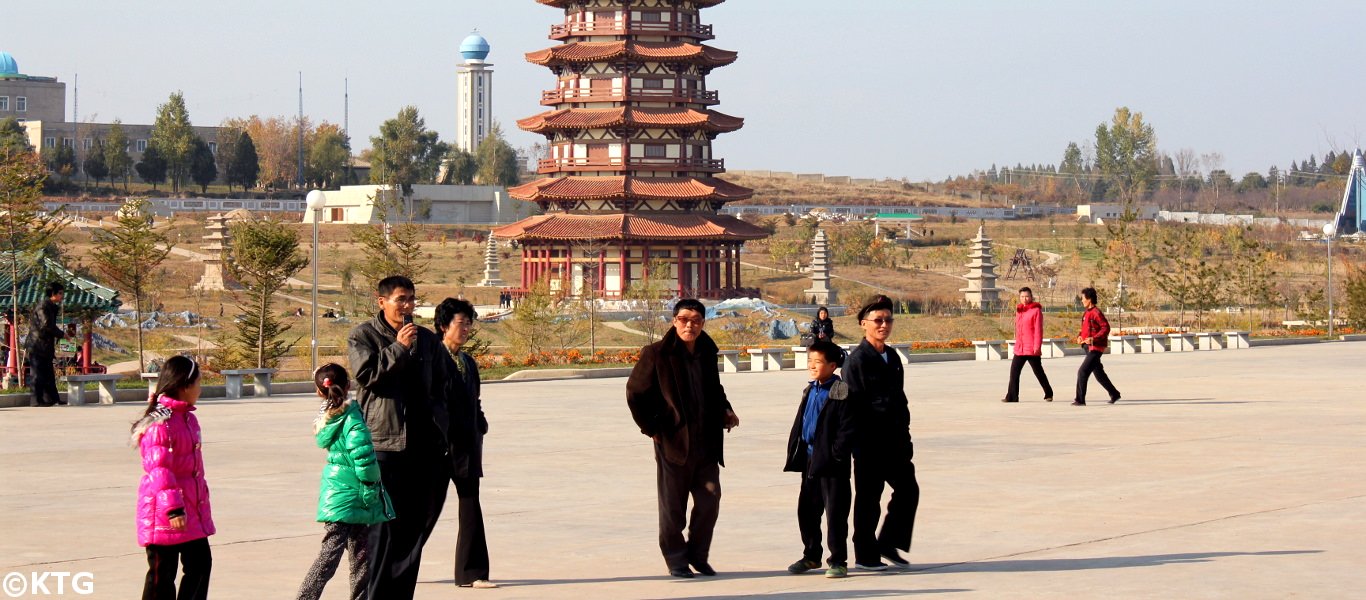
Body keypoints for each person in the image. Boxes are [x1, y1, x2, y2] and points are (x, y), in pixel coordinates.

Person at [347, 275, 450, 599]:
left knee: (412, 530)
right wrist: (399, 349)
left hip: (422, 447)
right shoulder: (363, 336)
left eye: (411, 299)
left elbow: (443, 384)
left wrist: (442, 423)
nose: (407, 306)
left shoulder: (428, 340)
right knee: (382, 532)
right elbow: (367, 376)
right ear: (382, 302)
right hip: (383, 445)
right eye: (401, 299)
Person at [626, 298, 740, 579]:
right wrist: (652, 428)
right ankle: (676, 560)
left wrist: (726, 409)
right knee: (672, 506)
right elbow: (635, 393)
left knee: (710, 500)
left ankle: (698, 556)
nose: (690, 325)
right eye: (684, 319)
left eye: (696, 320)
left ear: (703, 322)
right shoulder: (656, 354)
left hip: (706, 442)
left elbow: (715, 389)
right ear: (674, 320)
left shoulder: (706, 352)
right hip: (673, 442)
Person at [297, 363, 394, 600]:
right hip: (352, 494)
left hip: (339, 491)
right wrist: (371, 487)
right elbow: (364, 457)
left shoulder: (328, 418)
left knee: (361, 556)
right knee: (331, 556)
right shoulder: (351, 419)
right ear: (349, 385)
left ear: (319, 391)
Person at [131, 355, 214, 600]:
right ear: (184, 385)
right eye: (198, 382)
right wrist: (174, 509)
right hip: (166, 512)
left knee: (200, 566)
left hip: (192, 509)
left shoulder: (188, 418)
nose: (200, 388)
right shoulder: (160, 422)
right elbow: (158, 468)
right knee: (162, 576)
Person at [848, 295, 919, 571]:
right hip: (869, 443)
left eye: (888, 320)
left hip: (896, 441)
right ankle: (865, 554)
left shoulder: (892, 357)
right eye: (878, 320)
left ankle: (888, 542)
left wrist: (905, 437)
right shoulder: (857, 361)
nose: (884, 325)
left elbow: (899, 400)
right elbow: (853, 405)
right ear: (864, 324)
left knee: (909, 489)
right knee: (868, 499)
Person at [433, 298, 496, 589]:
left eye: (469, 323)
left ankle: (473, 573)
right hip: (436, 447)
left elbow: (475, 399)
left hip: (467, 447)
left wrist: (480, 423)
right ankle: (389, 563)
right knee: (422, 514)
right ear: (444, 326)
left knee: (471, 506)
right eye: (461, 323)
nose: (467, 329)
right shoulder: (431, 359)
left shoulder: (468, 362)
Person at [784, 341, 857, 579]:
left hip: (832, 462)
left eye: (818, 362)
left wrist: (836, 453)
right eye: (810, 361)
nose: (812, 366)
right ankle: (811, 555)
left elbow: (848, 428)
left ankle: (838, 560)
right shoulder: (810, 389)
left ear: (833, 366)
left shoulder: (840, 390)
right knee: (807, 510)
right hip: (809, 458)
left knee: (835, 513)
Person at [1003, 287, 1054, 403]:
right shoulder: (1019, 310)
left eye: (1027, 296)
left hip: (1031, 348)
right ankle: (1012, 397)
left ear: (1031, 297)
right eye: (1022, 296)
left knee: (1038, 372)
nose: (1024, 299)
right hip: (1020, 348)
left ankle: (1049, 393)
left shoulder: (1036, 311)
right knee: (1014, 372)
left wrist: (1037, 346)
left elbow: (1038, 330)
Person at [1073, 287, 1121, 406]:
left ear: (1089, 299)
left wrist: (1094, 339)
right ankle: (1114, 393)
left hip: (1095, 348)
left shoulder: (1096, 312)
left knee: (1082, 371)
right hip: (1087, 347)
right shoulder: (1087, 312)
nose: (1082, 300)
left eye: (1083, 298)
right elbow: (1084, 329)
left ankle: (1080, 399)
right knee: (1099, 373)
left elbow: (1106, 328)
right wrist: (1080, 336)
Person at [28, 281, 65, 406]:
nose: (62, 296)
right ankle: (37, 401)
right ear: (53, 293)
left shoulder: (51, 306)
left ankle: (52, 399)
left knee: (48, 374)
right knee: (38, 375)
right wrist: (62, 334)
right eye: (60, 293)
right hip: (37, 345)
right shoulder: (43, 306)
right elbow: (46, 325)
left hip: (45, 346)